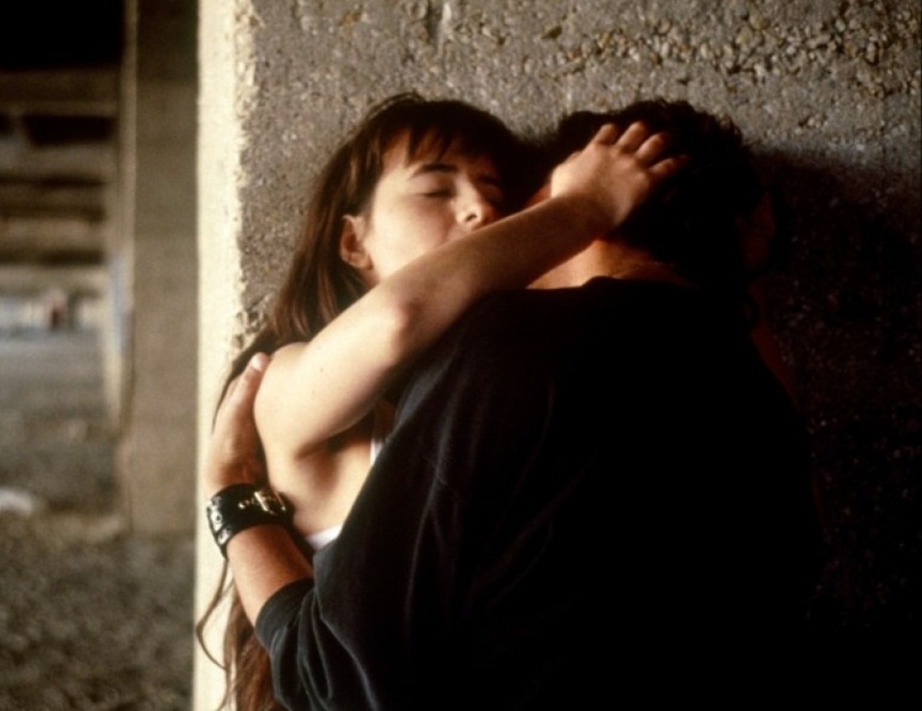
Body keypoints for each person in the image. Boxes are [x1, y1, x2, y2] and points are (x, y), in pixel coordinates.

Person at [202, 99, 822, 709]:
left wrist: (229, 500)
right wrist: (586, 208)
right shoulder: (294, 375)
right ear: (352, 240)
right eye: (434, 190)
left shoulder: (505, 362)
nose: (484, 213)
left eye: (502, 196)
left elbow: (336, 676)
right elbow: (397, 318)